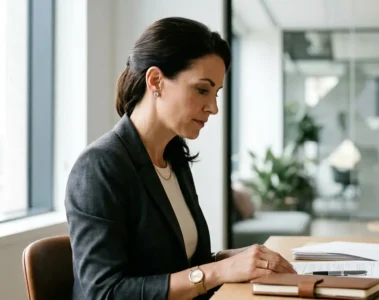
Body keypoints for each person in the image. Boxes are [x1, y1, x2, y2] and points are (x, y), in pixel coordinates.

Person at [64, 17, 295, 300]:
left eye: (216, 93)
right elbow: (106, 292)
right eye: (202, 90)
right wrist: (220, 271)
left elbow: (173, 266)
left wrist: (231, 261)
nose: (213, 108)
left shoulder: (174, 157)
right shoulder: (99, 167)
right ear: (155, 81)